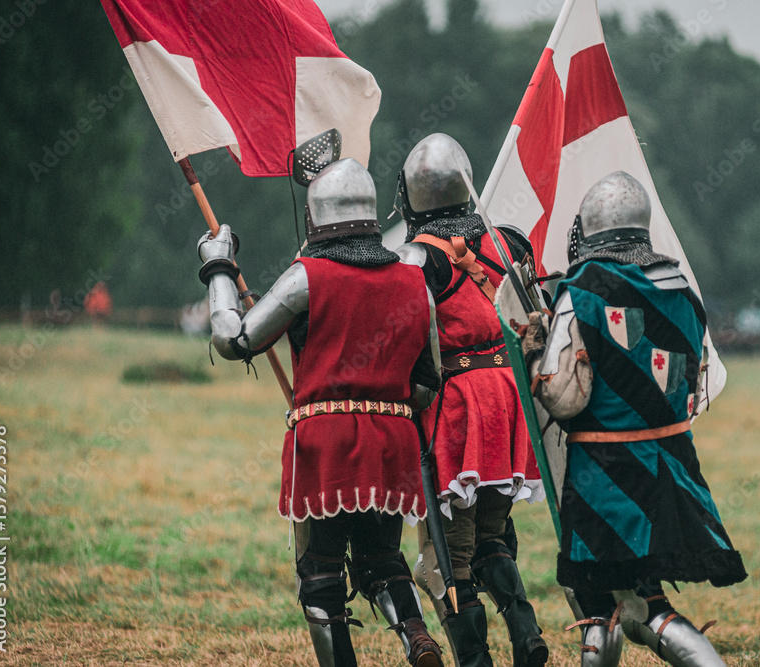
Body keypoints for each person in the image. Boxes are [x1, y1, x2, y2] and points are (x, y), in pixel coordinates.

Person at [199, 158, 444, 667]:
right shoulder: (414, 282)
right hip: (392, 439)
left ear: (316, 218)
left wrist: (218, 265)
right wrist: (381, 401)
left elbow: (233, 338)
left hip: (326, 442)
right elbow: (426, 384)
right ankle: (416, 635)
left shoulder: (306, 277)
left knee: (320, 574)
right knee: (382, 560)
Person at [522, 171, 748, 667]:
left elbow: (562, 397)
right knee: (646, 599)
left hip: (605, 473)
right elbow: (691, 386)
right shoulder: (680, 286)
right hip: (671, 465)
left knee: (601, 605)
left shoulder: (583, 289)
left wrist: (535, 350)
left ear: (591, 229)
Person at [394, 133, 548, 667]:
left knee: (450, 550)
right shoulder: (508, 244)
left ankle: (475, 658)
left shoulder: (416, 257)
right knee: (493, 532)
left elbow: (409, 343)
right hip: (508, 396)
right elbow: (535, 319)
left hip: (456, 403)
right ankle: (526, 631)